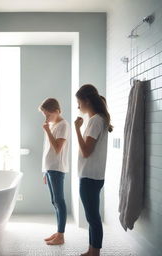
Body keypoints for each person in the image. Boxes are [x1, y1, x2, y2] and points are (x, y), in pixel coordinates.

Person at [74, 84, 113, 256]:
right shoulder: (97, 120)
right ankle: (91, 250)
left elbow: (86, 151)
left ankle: (95, 252)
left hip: (89, 176)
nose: (78, 106)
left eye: (79, 102)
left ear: (86, 101)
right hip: (92, 176)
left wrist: (76, 129)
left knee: (92, 218)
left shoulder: (96, 120)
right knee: (92, 216)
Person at [39, 98, 70, 245]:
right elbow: (48, 149)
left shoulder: (63, 125)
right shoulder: (54, 124)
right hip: (50, 168)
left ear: (56, 111)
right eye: (44, 115)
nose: (46, 118)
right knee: (54, 201)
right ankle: (59, 232)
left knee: (59, 201)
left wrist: (47, 130)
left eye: (48, 114)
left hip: (57, 168)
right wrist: (45, 170)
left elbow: (57, 148)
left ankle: (61, 235)